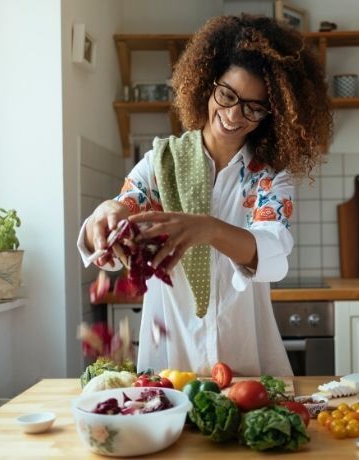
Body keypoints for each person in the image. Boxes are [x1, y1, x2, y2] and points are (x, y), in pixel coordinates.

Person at [78, 14, 332, 377]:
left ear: (271, 116)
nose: (232, 114)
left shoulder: (268, 178)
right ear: (206, 84)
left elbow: (274, 257)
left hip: (246, 363)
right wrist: (106, 213)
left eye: (253, 107)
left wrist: (209, 229)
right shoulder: (160, 163)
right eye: (227, 94)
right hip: (170, 359)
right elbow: (114, 236)